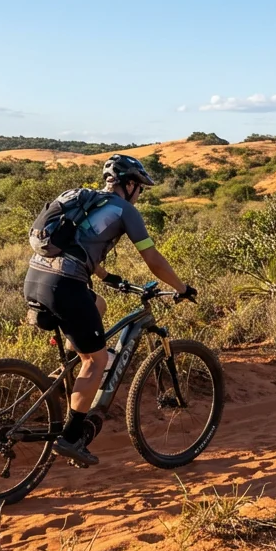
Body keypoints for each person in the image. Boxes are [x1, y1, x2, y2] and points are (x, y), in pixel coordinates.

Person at [23, 154, 196, 466]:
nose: (140, 194)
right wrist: (182, 288)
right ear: (129, 184)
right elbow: (153, 259)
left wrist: (107, 278)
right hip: (64, 286)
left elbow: (75, 244)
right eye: (140, 188)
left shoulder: (83, 198)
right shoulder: (124, 210)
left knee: (98, 304)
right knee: (98, 358)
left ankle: (68, 372)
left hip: (36, 279)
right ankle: (71, 438)